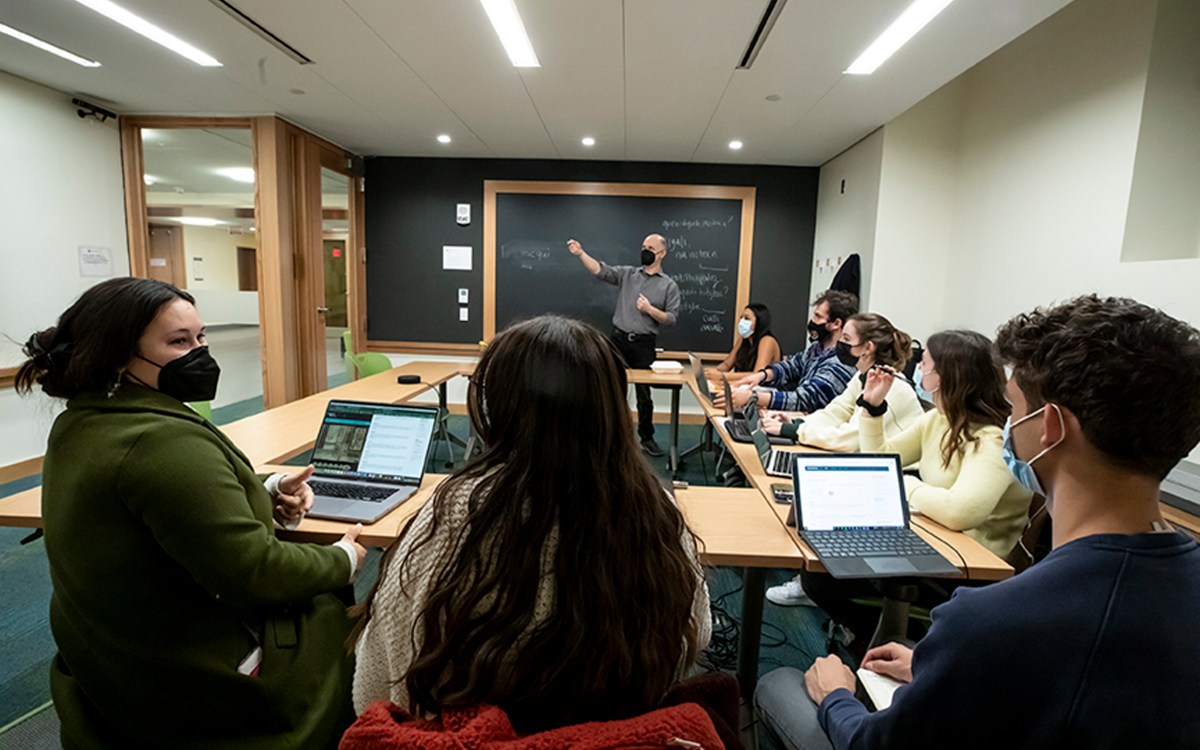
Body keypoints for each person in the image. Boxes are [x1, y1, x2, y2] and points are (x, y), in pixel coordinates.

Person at [754, 295, 1200, 750]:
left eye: (1014, 407)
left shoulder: (985, 621)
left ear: (1049, 426)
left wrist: (836, 699)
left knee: (781, 683)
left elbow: (872, 743)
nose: (1007, 421)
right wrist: (943, 666)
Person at [16, 277, 365, 749]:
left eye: (202, 337)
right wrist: (344, 558)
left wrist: (264, 492)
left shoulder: (82, 422)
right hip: (196, 678)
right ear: (117, 356)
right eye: (179, 341)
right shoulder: (162, 441)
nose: (200, 352)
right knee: (354, 615)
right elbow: (256, 572)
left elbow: (161, 514)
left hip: (114, 663)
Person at [351, 315, 711, 734]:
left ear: (499, 406)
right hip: (616, 739)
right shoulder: (654, 512)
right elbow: (695, 635)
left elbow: (374, 690)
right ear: (610, 407)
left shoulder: (454, 514)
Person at [796, 330, 1033, 636]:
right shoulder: (940, 419)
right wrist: (872, 407)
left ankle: (898, 645)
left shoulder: (992, 438)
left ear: (947, 376)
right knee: (820, 569)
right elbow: (879, 460)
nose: (918, 369)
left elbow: (960, 512)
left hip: (970, 568)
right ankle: (881, 641)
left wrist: (902, 485)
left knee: (824, 579)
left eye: (925, 364)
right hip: (936, 541)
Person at [763, 312, 925, 607]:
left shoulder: (893, 386)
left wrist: (792, 431)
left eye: (847, 341)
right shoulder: (862, 377)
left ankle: (815, 584)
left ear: (868, 347)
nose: (841, 346)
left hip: (897, 484)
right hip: (870, 470)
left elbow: (848, 440)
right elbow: (834, 413)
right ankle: (813, 578)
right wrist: (797, 426)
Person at [568, 234, 682, 457]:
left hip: (643, 344)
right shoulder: (629, 274)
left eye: (650, 247)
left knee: (644, 394)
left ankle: (647, 438)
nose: (645, 250)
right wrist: (581, 253)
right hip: (618, 340)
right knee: (611, 388)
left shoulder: (669, 285)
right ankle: (610, 436)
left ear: (662, 253)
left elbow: (671, 318)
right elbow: (600, 271)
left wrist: (650, 310)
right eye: (643, 246)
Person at [727, 290, 858, 413]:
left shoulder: (842, 362)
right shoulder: (817, 348)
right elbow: (791, 366)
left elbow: (805, 399)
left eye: (818, 317)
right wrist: (762, 375)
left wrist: (753, 397)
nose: (812, 321)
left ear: (836, 323)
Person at [706, 303, 782, 378]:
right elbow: (727, 365)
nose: (741, 322)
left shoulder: (767, 340)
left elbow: (758, 374)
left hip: (765, 388)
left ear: (760, 322)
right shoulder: (743, 339)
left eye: (747, 318)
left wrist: (723, 376)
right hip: (746, 386)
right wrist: (707, 373)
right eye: (741, 317)